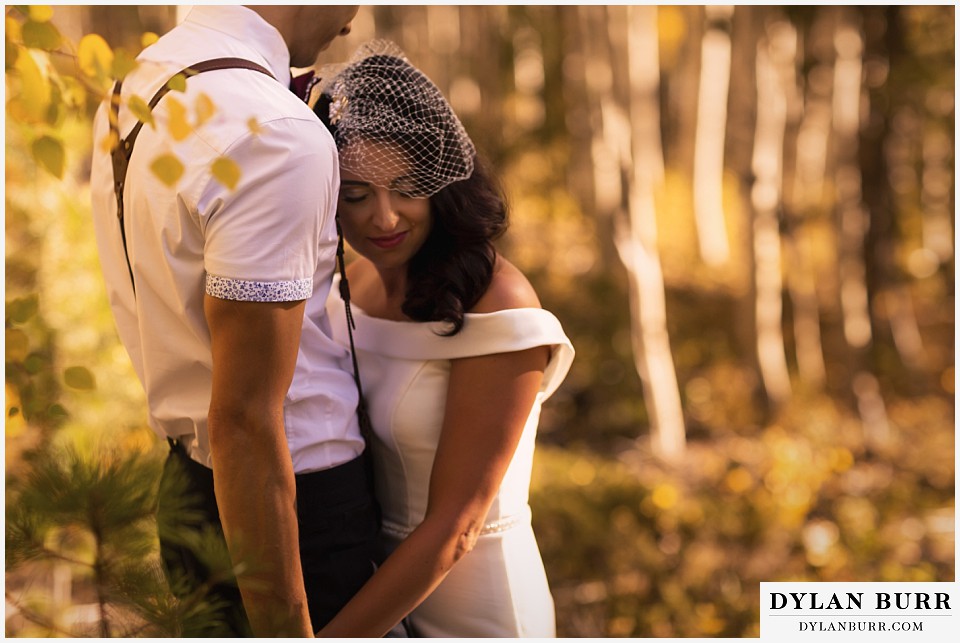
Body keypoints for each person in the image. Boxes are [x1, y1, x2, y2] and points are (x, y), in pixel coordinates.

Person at [88, 6, 401, 637]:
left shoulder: (134, 89)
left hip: (187, 491)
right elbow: (246, 422)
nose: (351, 23)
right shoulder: (274, 132)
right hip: (291, 514)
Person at [314, 41, 575, 637]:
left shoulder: (499, 308)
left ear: (442, 182)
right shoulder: (348, 289)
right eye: (356, 196)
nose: (383, 219)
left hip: (478, 605)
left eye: (407, 188)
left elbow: (458, 526)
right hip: (373, 590)